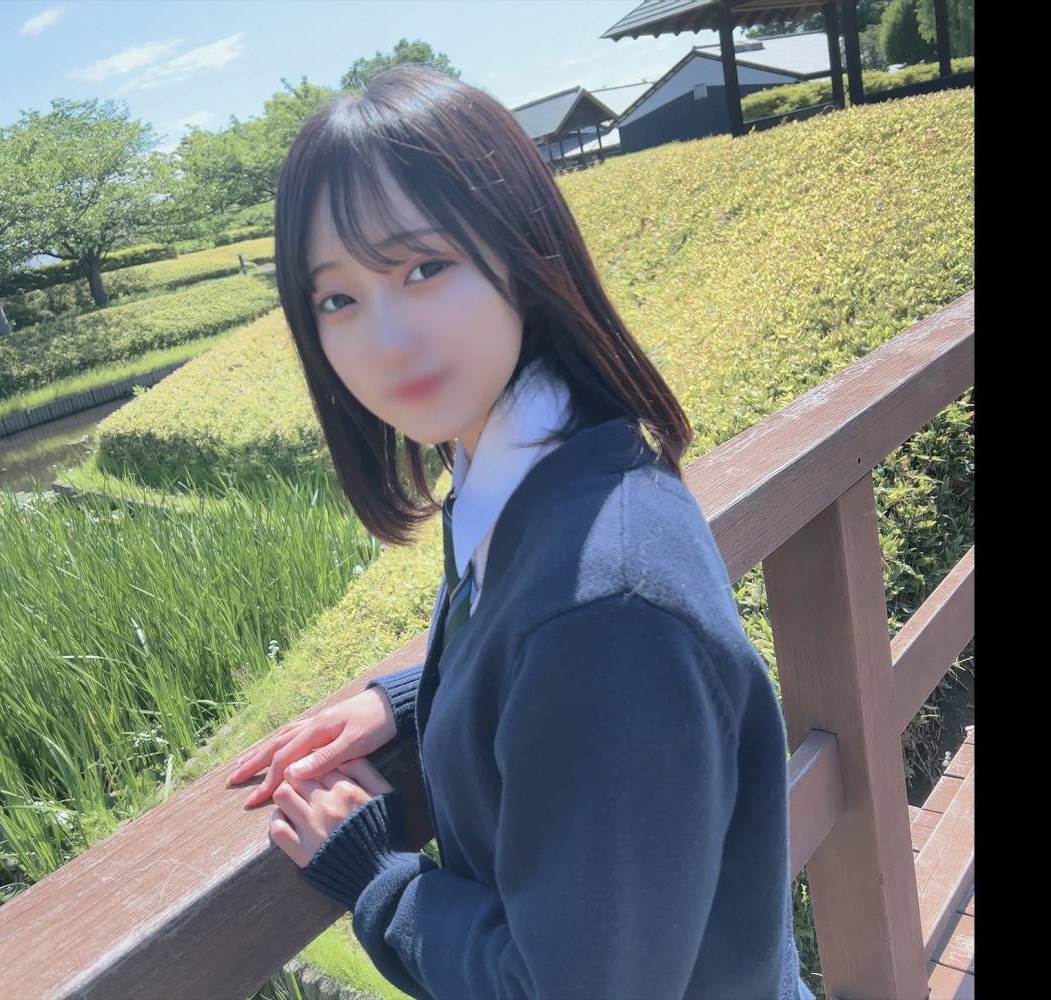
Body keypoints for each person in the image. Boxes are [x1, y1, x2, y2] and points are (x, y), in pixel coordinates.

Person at [225, 66, 813, 1000]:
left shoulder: (603, 608)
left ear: (521, 253)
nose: (385, 339)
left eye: (423, 268)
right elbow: (555, 652)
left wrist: (375, 875)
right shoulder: (564, 461)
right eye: (336, 299)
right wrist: (422, 694)